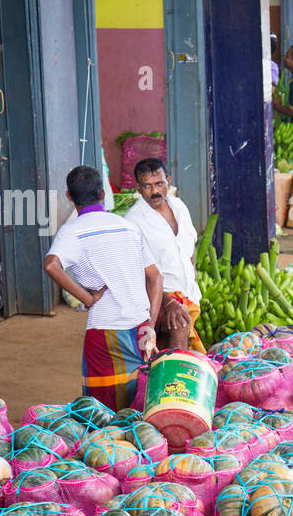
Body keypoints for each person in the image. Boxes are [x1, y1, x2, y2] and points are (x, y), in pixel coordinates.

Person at [43, 165, 161, 411]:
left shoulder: (72, 231)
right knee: (142, 404)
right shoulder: (128, 226)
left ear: (69, 196)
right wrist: (150, 324)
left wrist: (87, 298)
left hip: (105, 331)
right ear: (102, 194)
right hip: (140, 328)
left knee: (104, 413)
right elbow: (155, 277)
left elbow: (51, 265)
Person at [124, 158, 204, 354]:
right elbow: (134, 273)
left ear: (168, 181)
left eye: (159, 184)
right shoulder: (133, 221)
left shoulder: (179, 206)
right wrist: (168, 302)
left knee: (173, 343)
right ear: (139, 188)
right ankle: (178, 381)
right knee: (179, 325)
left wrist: (191, 270)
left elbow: (190, 243)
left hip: (188, 294)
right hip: (157, 297)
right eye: (147, 186)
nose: (154, 192)